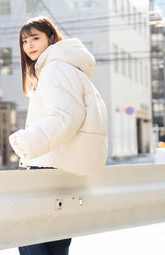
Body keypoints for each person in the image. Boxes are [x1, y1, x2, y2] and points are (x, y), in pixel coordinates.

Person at [9, 16, 108, 255]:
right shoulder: (65, 67)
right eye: (24, 41)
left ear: (51, 38)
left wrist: (27, 142)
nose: (29, 45)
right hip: (66, 167)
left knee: (28, 232)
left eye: (35, 38)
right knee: (55, 241)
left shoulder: (55, 68)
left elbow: (65, 117)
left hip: (49, 165)